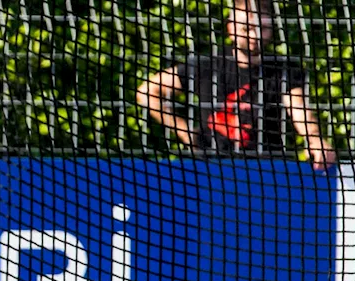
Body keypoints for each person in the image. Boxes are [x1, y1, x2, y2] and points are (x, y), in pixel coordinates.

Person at [136, 0, 335, 170]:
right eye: (246, 28)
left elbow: (298, 107)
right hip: (212, 169)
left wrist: (315, 139)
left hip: (268, 172)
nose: (254, 36)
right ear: (231, 28)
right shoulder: (205, 66)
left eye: (262, 29)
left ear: (271, 29)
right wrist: (186, 133)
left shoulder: (285, 69)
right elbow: (147, 92)